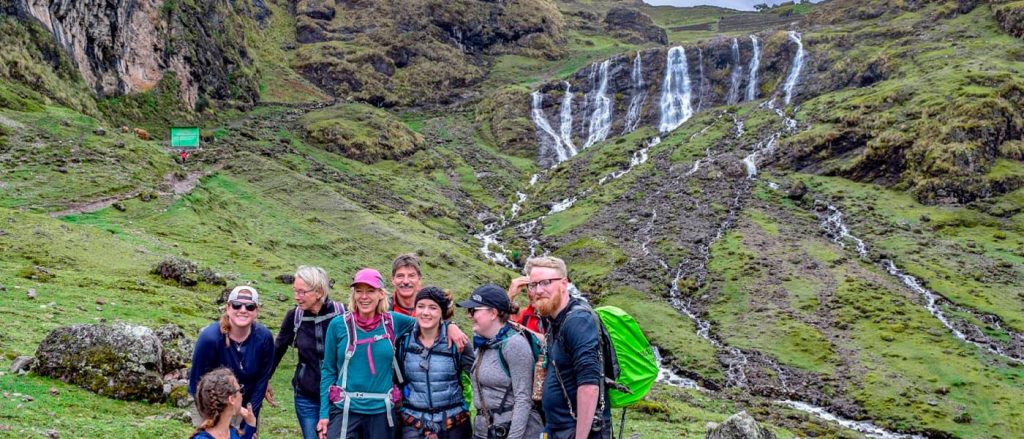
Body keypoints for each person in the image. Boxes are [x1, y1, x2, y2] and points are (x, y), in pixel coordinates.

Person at [318, 268, 468, 438]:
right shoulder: (338, 325)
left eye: (370, 291)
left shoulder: (393, 321)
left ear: (381, 294)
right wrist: (324, 414)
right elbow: (328, 371)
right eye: (359, 291)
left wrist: (450, 325)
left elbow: (427, 321)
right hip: (345, 410)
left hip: (381, 413)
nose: (364, 297)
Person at [529, 257, 612, 439]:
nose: (538, 290)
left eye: (545, 283)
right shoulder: (553, 319)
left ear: (564, 283)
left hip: (578, 431)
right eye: (533, 285)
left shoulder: (577, 320)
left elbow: (589, 385)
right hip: (557, 428)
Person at [458, 284, 543, 439]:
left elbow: (523, 399)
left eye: (474, 310)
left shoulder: (514, 345)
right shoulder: (484, 344)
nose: (469, 316)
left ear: (493, 313)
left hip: (511, 432)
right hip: (488, 432)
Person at [273, 266, 345, 439]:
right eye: (295, 291)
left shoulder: (342, 314)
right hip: (307, 397)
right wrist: (265, 379)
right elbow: (278, 349)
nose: (297, 297)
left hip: (339, 397)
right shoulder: (294, 317)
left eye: (302, 292)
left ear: (319, 291)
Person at [190, 286, 276, 429]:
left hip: (246, 402)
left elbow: (262, 381)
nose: (243, 310)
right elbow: (197, 383)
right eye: (237, 305)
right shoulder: (210, 338)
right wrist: (218, 422)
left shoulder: (264, 338)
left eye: (249, 307)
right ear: (228, 308)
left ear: (256, 311)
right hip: (208, 403)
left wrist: (250, 419)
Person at [396, 286, 475, 439]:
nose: (425, 312)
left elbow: (477, 380)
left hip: (454, 427)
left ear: (442, 313)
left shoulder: (458, 343)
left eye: (433, 308)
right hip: (413, 426)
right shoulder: (403, 343)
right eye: (421, 306)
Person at [190, 368, 257, 439]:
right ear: (231, 400)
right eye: (240, 390)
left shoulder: (232, 433)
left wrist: (250, 425)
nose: (241, 395)